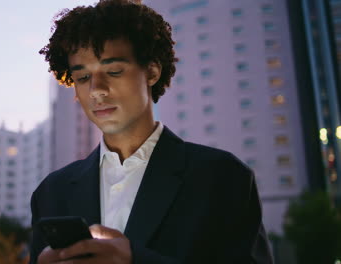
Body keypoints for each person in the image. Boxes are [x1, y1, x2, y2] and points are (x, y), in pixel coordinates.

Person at [30, 0, 274, 263]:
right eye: (83, 77)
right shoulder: (51, 192)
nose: (96, 90)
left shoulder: (222, 176)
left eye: (113, 71)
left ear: (152, 72)